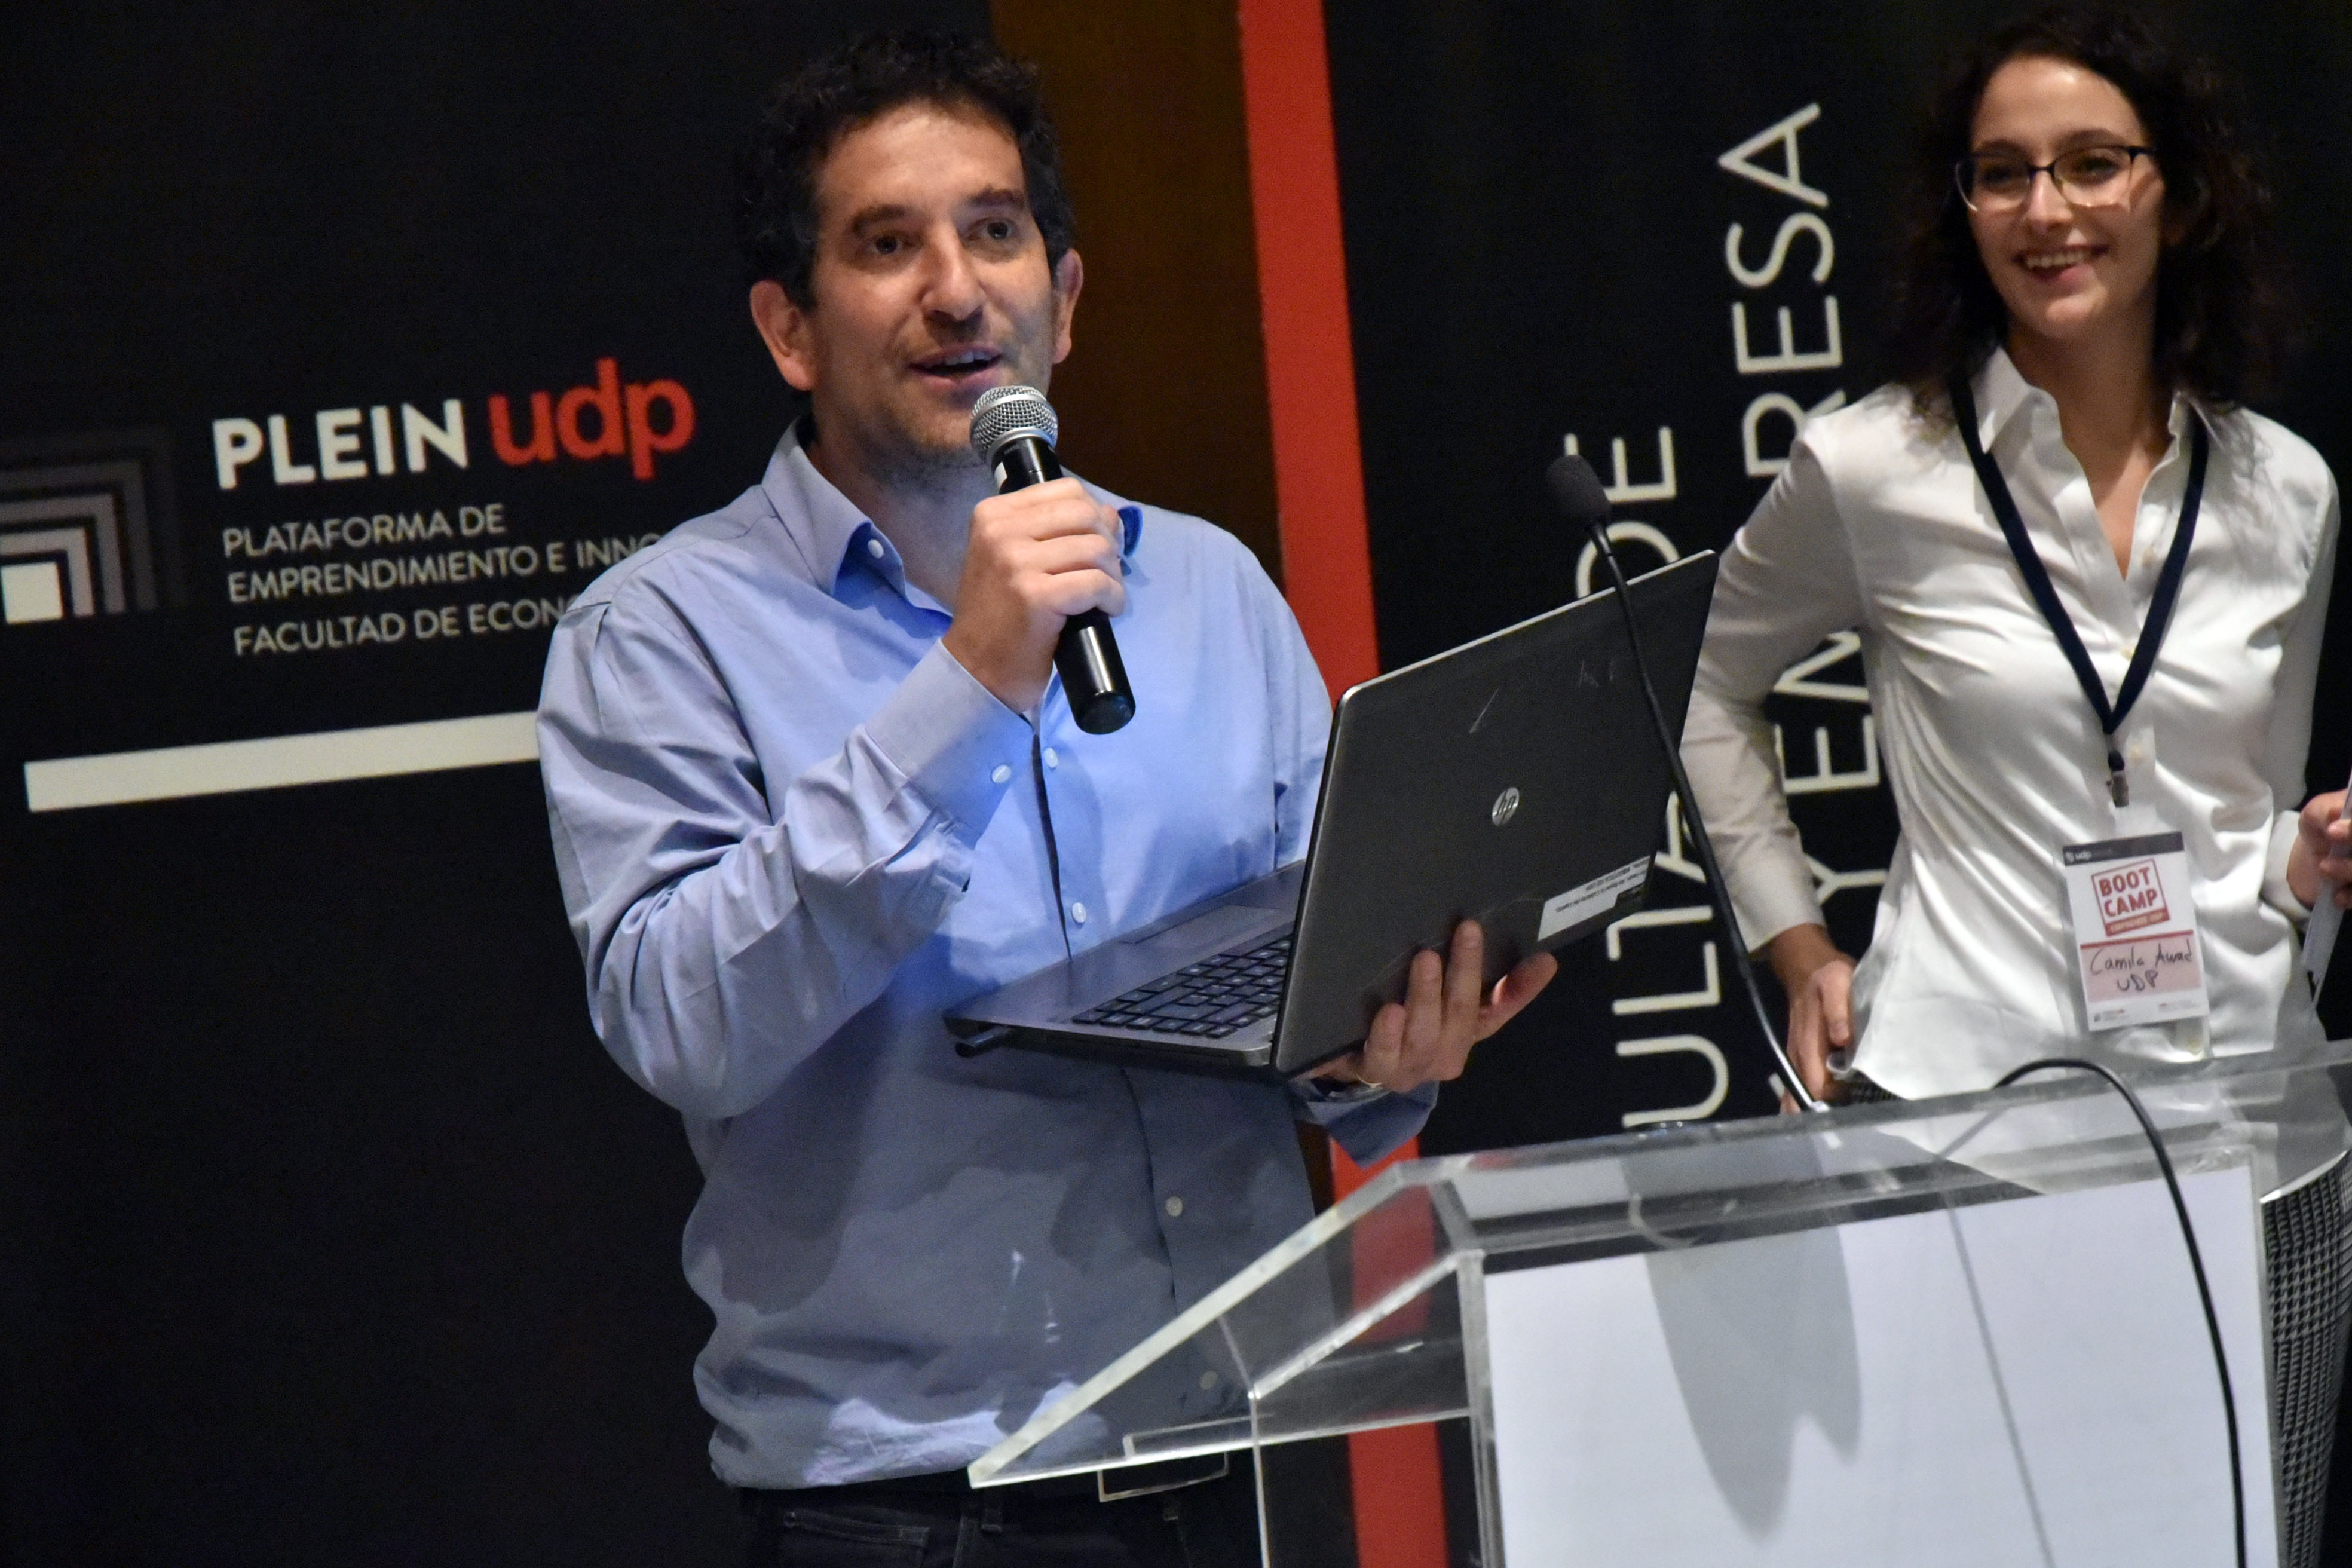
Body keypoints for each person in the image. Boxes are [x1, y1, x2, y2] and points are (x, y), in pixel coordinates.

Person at [535, 31, 1553, 1566]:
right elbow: (686, 1026)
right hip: (922, 1511)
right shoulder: (662, 632)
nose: (958, 290)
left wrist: (1380, 1046)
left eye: (996, 231)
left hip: (1245, 1460)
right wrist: (973, 679)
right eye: (889, 245)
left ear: (1064, 300)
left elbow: (1306, 986)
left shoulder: (1205, 583)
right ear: (790, 329)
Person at [1682, 7, 2350, 1562]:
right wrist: (1795, 936)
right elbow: (1707, 688)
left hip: (2264, 1150)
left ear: (2176, 190)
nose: (2049, 210)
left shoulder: (2287, 488)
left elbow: (2256, 818)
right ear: (1964, 207)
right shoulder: (1874, 469)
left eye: (2093, 164)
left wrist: (2311, 856)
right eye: (2004, 173)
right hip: (1973, 1139)